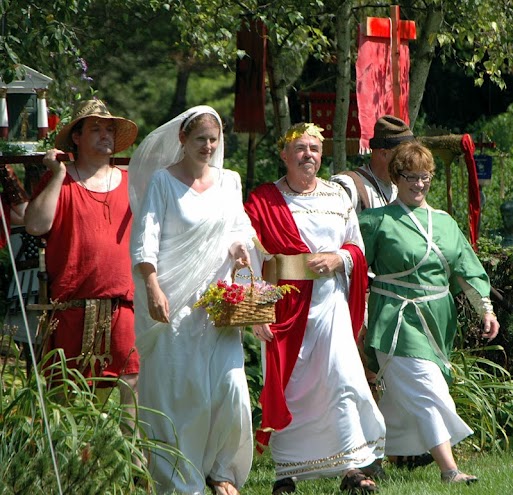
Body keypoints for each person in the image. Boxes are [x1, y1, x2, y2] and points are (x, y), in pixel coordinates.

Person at [245, 122, 386, 495]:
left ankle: (350, 468)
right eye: (300, 148)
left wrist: (339, 258)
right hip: (284, 308)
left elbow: (356, 247)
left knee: (342, 379)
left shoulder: (337, 197)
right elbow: (247, 257)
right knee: (290, 388)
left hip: (330, 303)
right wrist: (257, 309)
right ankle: (286, 472)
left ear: (322, 155)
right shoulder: (263, 200)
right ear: (284, 154)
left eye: (314, 149)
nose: (308, 155)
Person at [129, 105, 256, 495]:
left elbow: (238, 227)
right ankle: (180, 481)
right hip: (175, 305)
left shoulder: (230, 182)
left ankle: (221, 470)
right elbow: (145, 237)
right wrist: (152, 286)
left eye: (214, 139)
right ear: (182, 139)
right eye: (200, 138)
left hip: (218, 305)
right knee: (182, 395)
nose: (208, 146)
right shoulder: (163, 182)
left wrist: (239, 247)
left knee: (231, 389)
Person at [359, 141, 500, 484]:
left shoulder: (445, 222)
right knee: (428, 390)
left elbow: (467, 269)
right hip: (395, 320)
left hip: (437, 321)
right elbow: (353, 272)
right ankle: (450, 470)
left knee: (401, 397)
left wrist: (486, 310)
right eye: (410, 176)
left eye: (425, 176)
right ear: (396, 177)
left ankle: (369, 459)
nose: (419, 183)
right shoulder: (376, 221)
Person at [24, 99, 140, 421]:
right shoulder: (60, 181)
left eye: (109, 129)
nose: (105, 135)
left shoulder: (131, 183)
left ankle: (128, 453)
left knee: (131, 383)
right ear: (76, 137)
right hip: (71, 308)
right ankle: (68, 453)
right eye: (96, 128)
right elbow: (35, 226)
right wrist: (58, 174)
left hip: (122, 306)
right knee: (64, 393)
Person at [331, 115, 415, 213]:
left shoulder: (400, 188)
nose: (410, 160)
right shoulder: (349, 186)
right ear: (384, 154)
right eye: (404, 155)